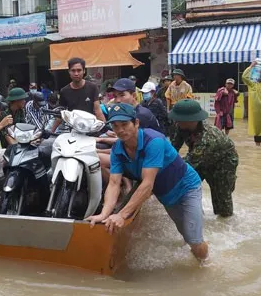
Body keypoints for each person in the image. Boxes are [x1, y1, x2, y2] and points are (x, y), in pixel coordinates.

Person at [86, 103, 208, 262]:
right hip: (166, 195)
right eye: (115, 126)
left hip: (187, 189)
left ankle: (206, 266)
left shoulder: (154, 141)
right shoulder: (117, 149)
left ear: (136, 123)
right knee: (186, 234)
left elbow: (147, 184)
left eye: (125, 124)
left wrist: (122, 215)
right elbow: (114, 183)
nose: (120, 130)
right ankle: (197, 252)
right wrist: (104, 214)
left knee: (194, 240)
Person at [170, 99, 238, 217]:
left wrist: (163, 173)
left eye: (178, 118)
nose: (175, 120)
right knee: (185, 187)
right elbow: (172, 149)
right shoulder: (181, 126)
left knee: (222, 202)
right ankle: (193, 214)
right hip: (199, 156)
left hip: (223, 163)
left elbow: (187, 164)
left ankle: (224, 225)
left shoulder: (207, 138)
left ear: (191, 120)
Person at [97, 78, 161, 190]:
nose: (118, 100)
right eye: (115, 96)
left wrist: (100, 146)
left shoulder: (140, 115)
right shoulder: (132, 112)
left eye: (122, 95)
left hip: (147, 161)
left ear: (133, 95)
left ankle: (125, 189)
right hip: (139, 154)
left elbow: (128, 145)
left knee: (97, 159)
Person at [51, 57, 105, 132]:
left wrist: (105, 129)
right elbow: (61, 114)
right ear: (69, 72)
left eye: (79, 70)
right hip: (74, 131)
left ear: (84, 71)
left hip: (91, 130)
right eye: (73, 70)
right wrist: (51, 131)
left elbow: (98, 111)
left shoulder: (92, 87)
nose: (76, 73)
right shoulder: (64, 91)